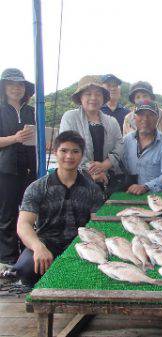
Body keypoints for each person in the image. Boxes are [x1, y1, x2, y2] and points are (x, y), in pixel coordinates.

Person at [12, 131, 103, 286]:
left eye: (75, 151)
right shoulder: (37, 187)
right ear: (55, 152)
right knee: (25, 269)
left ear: (82, 155)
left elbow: (98, 224)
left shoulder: (93, 189)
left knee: (96, 273)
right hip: (47, 242)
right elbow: (24, 224)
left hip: (81, 244)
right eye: (64, 151)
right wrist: (38, 247)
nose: (69, 156)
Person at [59, 75, 124, 195]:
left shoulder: (112, 121)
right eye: (88, 94)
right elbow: (67, 147)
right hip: (77, 178)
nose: (93, 98)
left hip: (106, 178)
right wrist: (93, 171)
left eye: (98, 94)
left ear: (103, 98)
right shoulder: (70, 117)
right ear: (80, 97)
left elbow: (120, 146)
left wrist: (105, 165)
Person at [0, 68, 36, 271]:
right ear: (4, 87)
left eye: (20, 84)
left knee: (29, 212)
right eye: (11, 84)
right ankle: (7, 258)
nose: (16, 88)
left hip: (30, 170)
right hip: (5, 171)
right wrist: (15, 138)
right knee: (7, 214)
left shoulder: (31, 111)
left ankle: (26, 253)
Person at [121, 101, 162, 194]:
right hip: (130, 194)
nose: (145, 119)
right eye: (141, 114)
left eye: (150, 115)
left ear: (157, 119)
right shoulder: (125, 141)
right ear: (134, 118)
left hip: (158, 196)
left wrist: (146, 187)